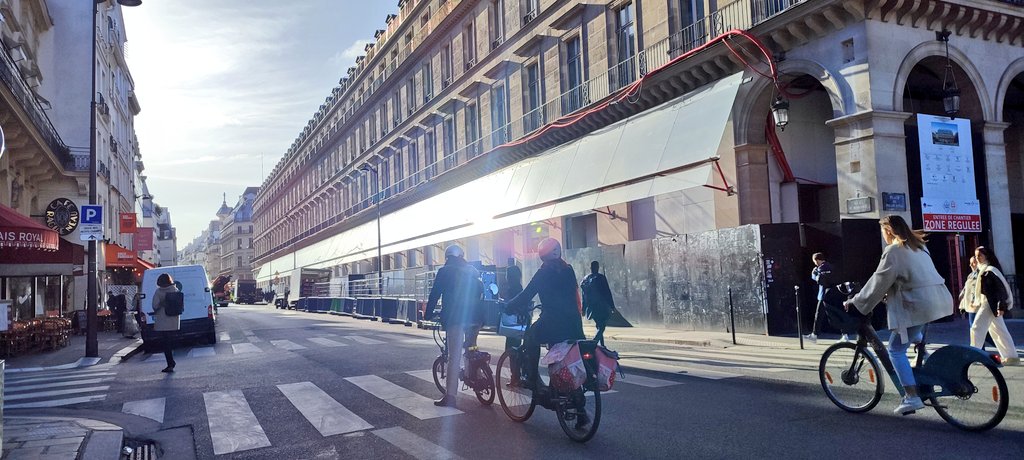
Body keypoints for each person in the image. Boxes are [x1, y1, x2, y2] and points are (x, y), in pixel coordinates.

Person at [844, 215, 952, 415]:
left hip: (917, 305)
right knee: (911, 332)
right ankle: (923, 359)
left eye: (882, 232)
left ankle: (911, 397)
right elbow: (908, 277)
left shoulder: (893, 251)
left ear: (888, 231)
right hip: (936, 299)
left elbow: (878, 282)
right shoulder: (919, 246)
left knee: (895, 349)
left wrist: (857, 302)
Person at [506, 238, 586, 390]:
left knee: (530, 337)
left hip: (552, 322)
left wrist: (509, 306)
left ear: (542, 255)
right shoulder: (568, 269)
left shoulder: (543, 273)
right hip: (574, 322)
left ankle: (531, 378)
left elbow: (526, 294)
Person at [425, 244, 484, 407]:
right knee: (471, 348)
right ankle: (476, 376)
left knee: (454, 356)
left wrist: (428, 314)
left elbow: (435, 294)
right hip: (475, 317)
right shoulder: (472, 270)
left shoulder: (444, 271)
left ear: (447, 257)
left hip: (455, 318)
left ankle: (450, 396)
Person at [970, 246, 1020, 366]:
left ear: (986, 256)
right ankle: (1011, 357)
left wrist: (1000, 306)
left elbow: (999, 291)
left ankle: (972, 355)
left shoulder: (990, 271)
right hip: (988, 303)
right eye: (976, 256)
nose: (977, 258)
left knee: (976, 328)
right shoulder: (983, 270)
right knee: (999, 331)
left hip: (989, 304)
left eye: (980, 256)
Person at [806, 253, 843, 343]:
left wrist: (813, 274)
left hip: (823, 295)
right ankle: (844, 334)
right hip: (833, 294)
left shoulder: (820, 268)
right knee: (836, 314)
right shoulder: (831, 267)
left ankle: (814, 335)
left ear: (817, 260)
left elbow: (819, 280)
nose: (815, 264)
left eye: (815, 261)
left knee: (819, 315)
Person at [151, 274, 182, 373]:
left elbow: (154, 306)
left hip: (163, 321)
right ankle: (171, 362)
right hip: (174, 320)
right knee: (170, 343)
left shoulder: (159, 292)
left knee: (165, 344)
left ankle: (170, 363)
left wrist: (161, 304)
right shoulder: (175, 290)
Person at [581, 261, 615, 347]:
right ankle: (594, 342)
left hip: (591, 307)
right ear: (598, 267)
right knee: (602, 326)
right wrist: (612, 306)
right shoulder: (601, 278)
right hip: (601, 306)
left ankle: (602, 345)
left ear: (590, 268)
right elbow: (607, 292)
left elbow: (584, 295)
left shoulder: (585, 280)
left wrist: (583, 309)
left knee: (599, 325)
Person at [501, 264, 525, 350]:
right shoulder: (518, 287)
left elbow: (510, 303)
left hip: (513, 320)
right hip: (518, 320)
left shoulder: (513, 288)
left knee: (511, 345)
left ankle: (514, 362)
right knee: (514, 343)